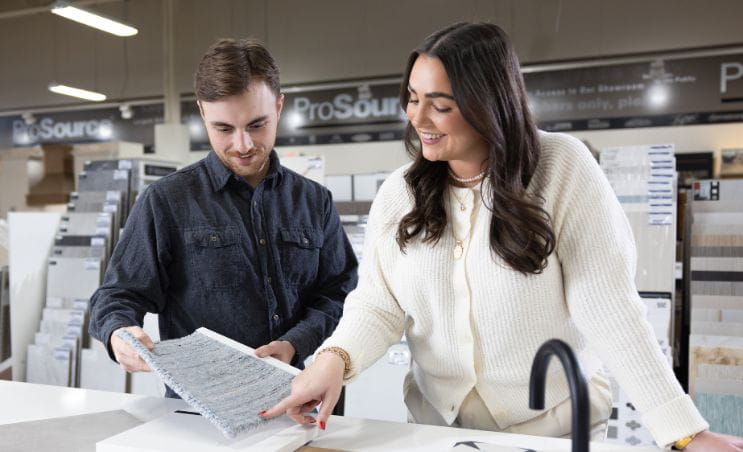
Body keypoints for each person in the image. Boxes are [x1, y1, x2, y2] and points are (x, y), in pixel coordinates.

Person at [262, 23, 743, 451]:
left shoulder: (561, 169)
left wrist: (682, 430)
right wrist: (333, 360)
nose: (418, 118)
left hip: (549, 426)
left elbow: (607, 305)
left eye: (440, 105)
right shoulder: (401, 193)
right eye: (412, 97)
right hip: (438, 426)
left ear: (488, 103)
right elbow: (378, 304)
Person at [88, 38, 358, 397]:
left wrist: (296, 342)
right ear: (202, 114)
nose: (243, 145)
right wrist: (119, 332)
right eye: (224, 129)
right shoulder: (166, 201)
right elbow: (118, 295)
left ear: (279, 106)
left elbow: (340, 294)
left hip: (298, 396)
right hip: (200, 408)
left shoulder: (314, 201)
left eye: (257, 125)